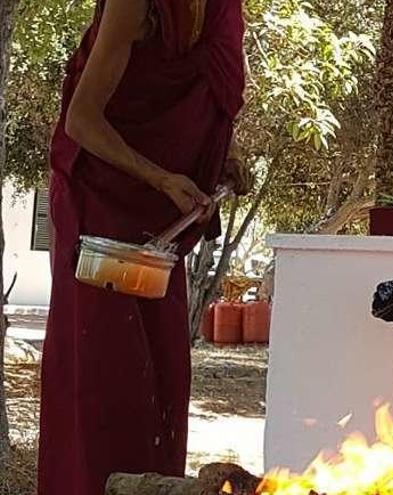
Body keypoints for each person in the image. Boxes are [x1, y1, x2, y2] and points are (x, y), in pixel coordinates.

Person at [39, 0, 249, 493]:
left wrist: (224, 156)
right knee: (105, 376)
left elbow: (209, 92)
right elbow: (81, 120)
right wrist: (160, 178)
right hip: (101, 205)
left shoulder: (223, 8)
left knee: (162, 375)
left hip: (161, 221)